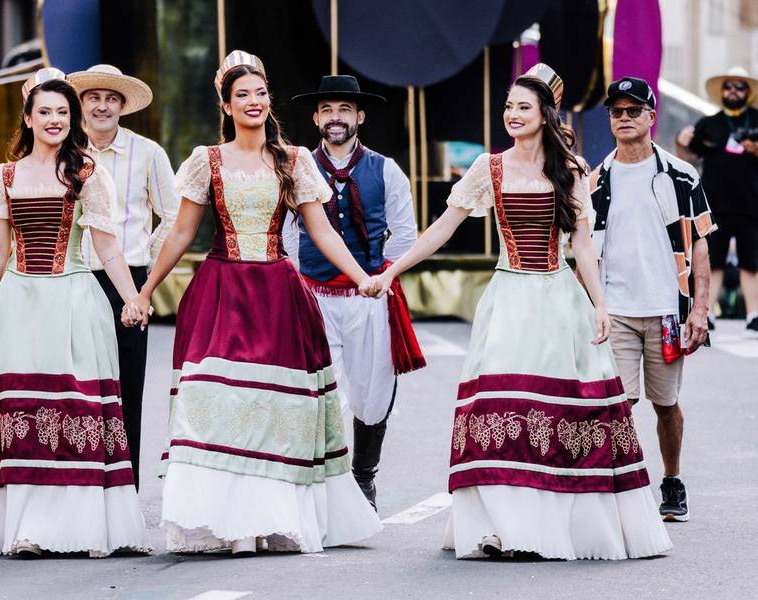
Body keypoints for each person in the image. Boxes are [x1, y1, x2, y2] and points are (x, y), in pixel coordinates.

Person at [367, 65, 671, 560]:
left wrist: (600, 306)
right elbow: (443, 228)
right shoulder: (489, 168)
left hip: (556, 296)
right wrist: (390, 271)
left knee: (561, 408)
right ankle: (501, 526)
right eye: (508, 106)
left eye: (522, 106)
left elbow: (582, 246)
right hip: (508, 299)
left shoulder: (569, 167)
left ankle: (552, 527)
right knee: (498, 410)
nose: (512, 114)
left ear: (544, 113)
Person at [126, 51, 382, 555]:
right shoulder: (207, 160)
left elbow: (321, 230)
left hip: (277, 292)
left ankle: (271, 517)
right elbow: (181, 231)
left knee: (270, 406)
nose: (254, 102)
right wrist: (145, 289)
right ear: (226, 104)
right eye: (242, 95)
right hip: (221, 290)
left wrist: (361, 277)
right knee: (212, 399)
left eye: (261, 93)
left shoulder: (294, 160)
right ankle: (224, 520)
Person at [0, 68, 149, 557]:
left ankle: (74, 527)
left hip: (74, 299)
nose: (55, 119)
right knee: (19, 408)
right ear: (27, 117)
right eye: (45, 111)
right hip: (19, 302)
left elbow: (107, 247)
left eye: (63, 112)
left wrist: (131, 296)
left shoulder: (87, 173)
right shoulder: (5, 177)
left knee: (71, 405)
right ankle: (24, 527)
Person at [283, 75, 424, 511]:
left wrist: (379, 275)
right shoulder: (296, 168)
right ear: (315, 118)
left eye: (344, 110)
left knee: (372, 391)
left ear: (359, 117)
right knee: (318, 391)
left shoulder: (386, 169)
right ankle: (321, 485)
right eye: (327, 111)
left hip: (368, 297)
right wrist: (300, 276)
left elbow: (405, 233)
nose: (335, 118)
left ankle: (364, 479)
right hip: (314, 295)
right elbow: (287, 231)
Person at [594, 77, 716, 523]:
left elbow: (701, 244)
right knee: (618, 404)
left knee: (666, 404)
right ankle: (626, 485)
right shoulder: (596, 181)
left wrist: (700, 310)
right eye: (616, 112)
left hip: (666, 310)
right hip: (617, 312)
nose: (624, 118)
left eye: (633, 111)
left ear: (651, 116)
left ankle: (672, 479)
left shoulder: (681, 176)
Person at [68, 64, 180, 488]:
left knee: (126, 386)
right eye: (94, 97)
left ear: (122, 106)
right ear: (81, 103)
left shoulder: (148, 153)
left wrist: (144, 265)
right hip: (74, 276)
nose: (102, 105)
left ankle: (124, 487)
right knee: (75, 385)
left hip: (128, 282)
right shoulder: (65, 151)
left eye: (111, 98)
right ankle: (78, 481)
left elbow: (172, 216)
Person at [675, 67, 758, 336]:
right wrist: (680, 141)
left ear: (748, 92)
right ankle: (706, 313)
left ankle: (753, 315)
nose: (733, 90)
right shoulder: (708, 123)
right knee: (713, 260)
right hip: (714, 204)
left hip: (751, 204)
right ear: (722, 91)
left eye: (739, 86)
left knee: (751, 262)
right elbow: (688, 156)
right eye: (729, 86)